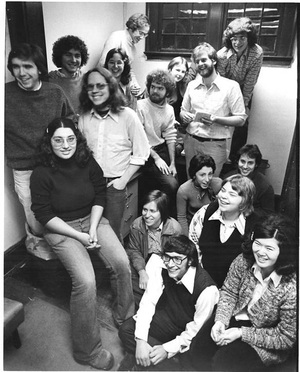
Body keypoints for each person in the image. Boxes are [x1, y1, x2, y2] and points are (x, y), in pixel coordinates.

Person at [30, 117, 135, 370]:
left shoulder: (87, 162)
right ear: (49, 142)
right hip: (60, 227)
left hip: (92, 219)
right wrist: (80, 236)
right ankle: (87, 351)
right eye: (58, 140)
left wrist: (92, 228)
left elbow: (100, 193)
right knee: (85, 281)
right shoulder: (41, 173)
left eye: (70, 139)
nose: (65, 145)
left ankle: (126, 317)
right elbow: (43, 215)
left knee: (121, 262)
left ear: (77, 140)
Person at [190, 214, 297, 372]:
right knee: (198, 350)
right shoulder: (243, 260)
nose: (260, 252)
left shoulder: (292, 287)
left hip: (265, 338)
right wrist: (220, 320)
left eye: (269, 248)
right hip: (235, 318)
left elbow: (286, 337)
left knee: (223, 364)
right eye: (258, 244)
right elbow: (229, 292)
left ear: (284, 251)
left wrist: (241, 333)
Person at [5, 42, 74, 258]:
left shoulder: (55, 92)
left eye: (27, 66)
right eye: (16, 67)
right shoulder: (5, 95)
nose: (21, 73)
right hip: (24, 169)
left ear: (39, 69)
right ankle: (46, 260)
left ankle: (67, 257)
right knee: (35, 220)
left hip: (54, 166)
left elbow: (71, 119)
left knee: (61, 211)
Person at [118, 235, 219, 371]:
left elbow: (195, 331)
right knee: (126, 330)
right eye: (167, 257)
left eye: (177, 259)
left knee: (191, 363)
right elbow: (148, 303)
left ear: (190, 261)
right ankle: (154, 358)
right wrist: (141, 341)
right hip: (167, 318)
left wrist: (166, 350)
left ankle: (145, 360)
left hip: (185, 329)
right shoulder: (162, 266)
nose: (170, 264)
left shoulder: (207, 290)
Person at [78, 67, 150, 240]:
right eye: (90, 86)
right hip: (88, 186)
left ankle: (113, 266)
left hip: (114, 187)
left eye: (100, 86)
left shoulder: (128, 116)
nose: (95, 91)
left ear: (110, 87)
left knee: (112, 235)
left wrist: (123, 180)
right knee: (89, 231)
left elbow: (142, 153)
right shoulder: (84, 118)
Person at [180, 42, 247, 177]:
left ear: (214, 60)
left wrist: (216, 119)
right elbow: (183, 111)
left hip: (214, 146)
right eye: (197, 61)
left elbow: (241, 119)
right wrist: (184, 115)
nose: (200, 64)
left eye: (204, 60)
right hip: (191, 142)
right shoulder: (192, 85)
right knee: (191, 182)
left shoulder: (231, 87)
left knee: (209, 185)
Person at [189, 174, 258, 288]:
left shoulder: (253, 226)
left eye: (232, 194)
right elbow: (194, 247)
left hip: (234, 289)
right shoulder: (206, 212)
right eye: (223, 190)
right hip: (202, 281)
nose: (223, 196)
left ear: (244, 201)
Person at [217, 17, 263, 164]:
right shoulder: (222, 55)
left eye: (242, 38)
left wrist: (241, 109)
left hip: (244, 90)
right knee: (220, 117)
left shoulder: (257, 53)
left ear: (249, 37)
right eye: (234, 38)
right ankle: (218, 156)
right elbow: (221, 82)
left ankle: (236, 159)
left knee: (242, 122)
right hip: (225, 90)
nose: (237, 42)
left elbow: (250, 83)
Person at [126, 190, 182, 307]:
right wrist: (142, 272)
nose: (147, 215)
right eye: (145, 210)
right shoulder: (137, 225)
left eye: (152, 211)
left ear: (162, 212)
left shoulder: (174, 228)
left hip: (165, 266)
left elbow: (178, 256)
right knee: (127, 274)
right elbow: (134, 251)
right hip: (144, 263)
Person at [137, 69, 178, 216]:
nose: (155, 91)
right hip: (144, 152)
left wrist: (172, 162)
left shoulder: (169, 110)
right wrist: (156, 158)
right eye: (153, 86)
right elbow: (138, 138)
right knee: (170, 184)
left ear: (167, 91)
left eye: (160, 88)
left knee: (173, 184)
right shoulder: (140, 106)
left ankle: (166, 221)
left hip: (160, 150)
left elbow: (170, 135)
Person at [97, 13, 151, 95]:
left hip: (119, 87)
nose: (142, 37)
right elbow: (103, 63)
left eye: (145, 34)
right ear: (133, 27)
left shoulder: (133, 48)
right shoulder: (117, 36)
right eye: (141, 33)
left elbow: (129, 70)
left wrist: (134, 85)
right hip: (106, 85)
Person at [177, 154, 222, 236]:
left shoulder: (218, 184)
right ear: (194, 175)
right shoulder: (184, 190)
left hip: (212, 225)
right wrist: (188, 239)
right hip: (193, 226)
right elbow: (182, 218)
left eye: (210, 174)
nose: (207, 179)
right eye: (202, 175)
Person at [224, 144, 275, 216]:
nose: (245, 166)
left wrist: (247, 211)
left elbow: (268, 213)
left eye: (250, 163)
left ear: (256, 164)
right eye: (242, 161)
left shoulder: (265, 186)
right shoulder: (229, 177)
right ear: (238, 161)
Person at [49, 35, 89, 115]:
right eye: (68, 55)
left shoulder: (87, 78)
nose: (73, 60)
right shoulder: (50, 80)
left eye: (77, 56)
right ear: (60, 57)